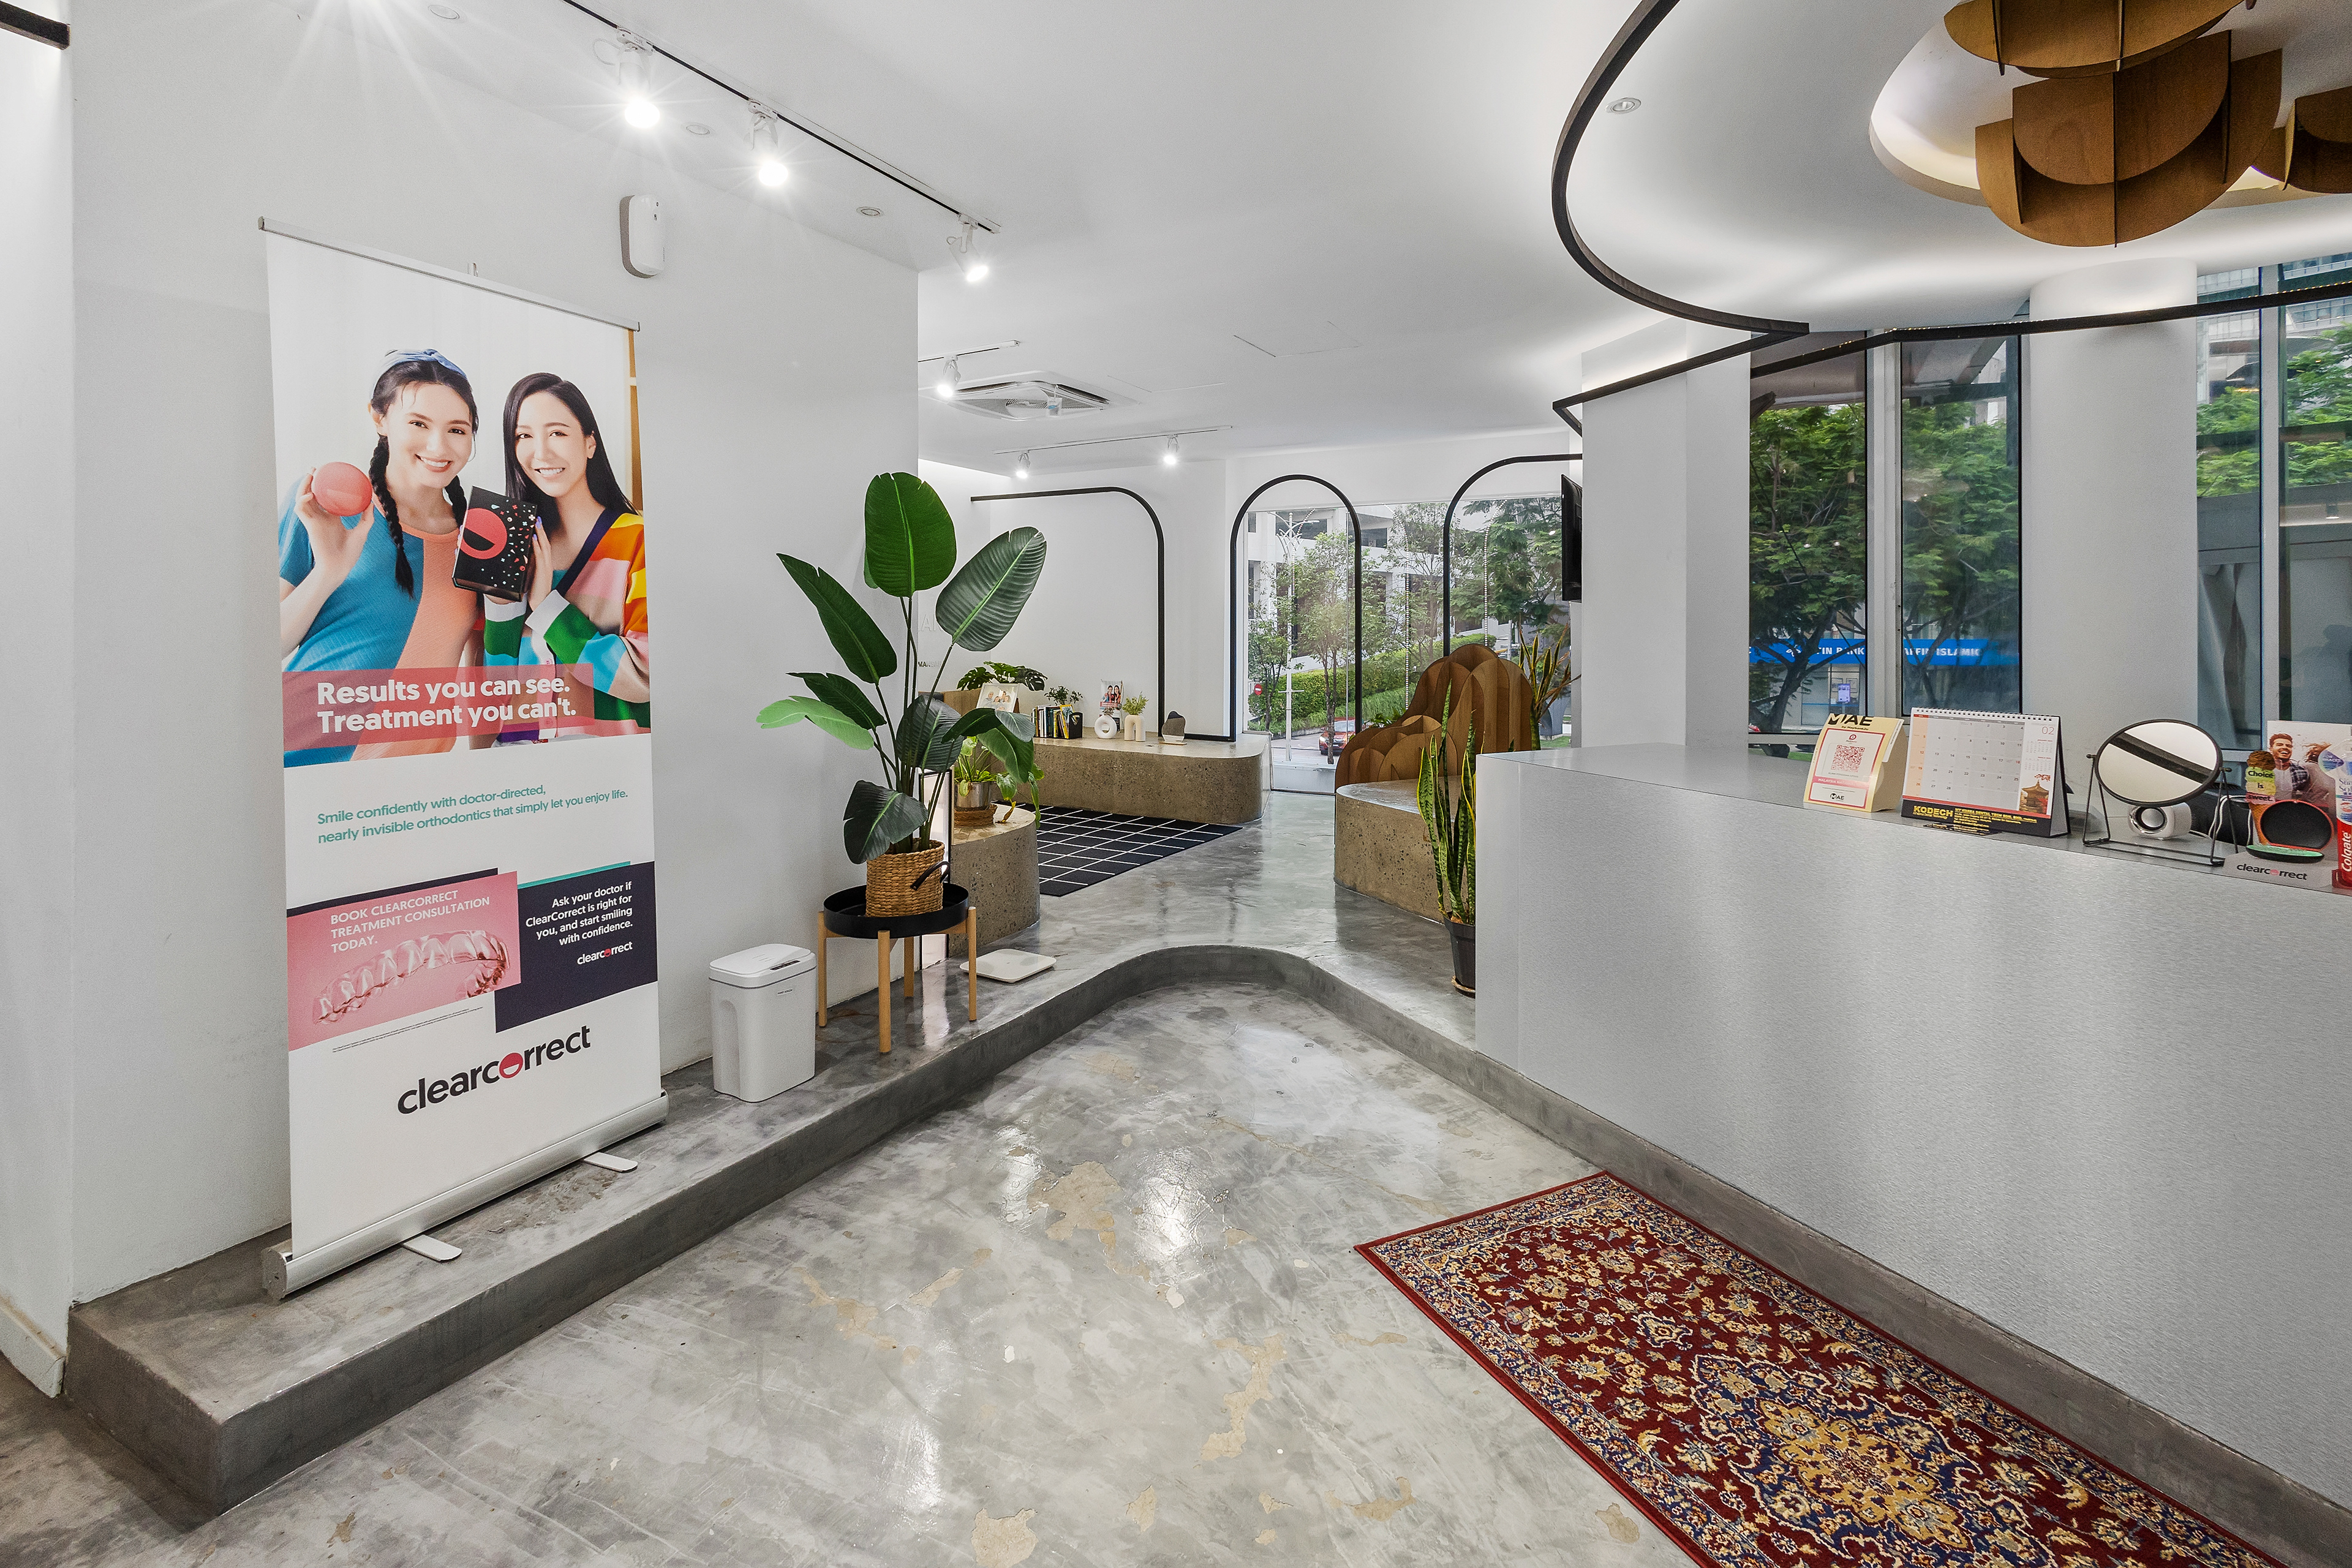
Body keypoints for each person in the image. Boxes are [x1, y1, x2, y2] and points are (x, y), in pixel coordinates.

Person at [279, 352, 480, 766]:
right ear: (379, 418)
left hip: (416, 780)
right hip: (302, 763)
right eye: (419, 423)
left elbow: (483, 669)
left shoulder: (481, 537)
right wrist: (329, 571)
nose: (438, 446)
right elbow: (265, 647)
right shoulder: (326, 504)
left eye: (457, 429)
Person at [486, 372, 650, 737]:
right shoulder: (511, 540)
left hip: (608, 765)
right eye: (524, 436)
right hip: (518, 760)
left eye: (557, 433)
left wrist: (547, 607)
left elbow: (645, 676)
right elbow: (495, 688)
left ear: (590, 442)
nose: (541, 453)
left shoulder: (638, 539)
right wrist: (500, 605)